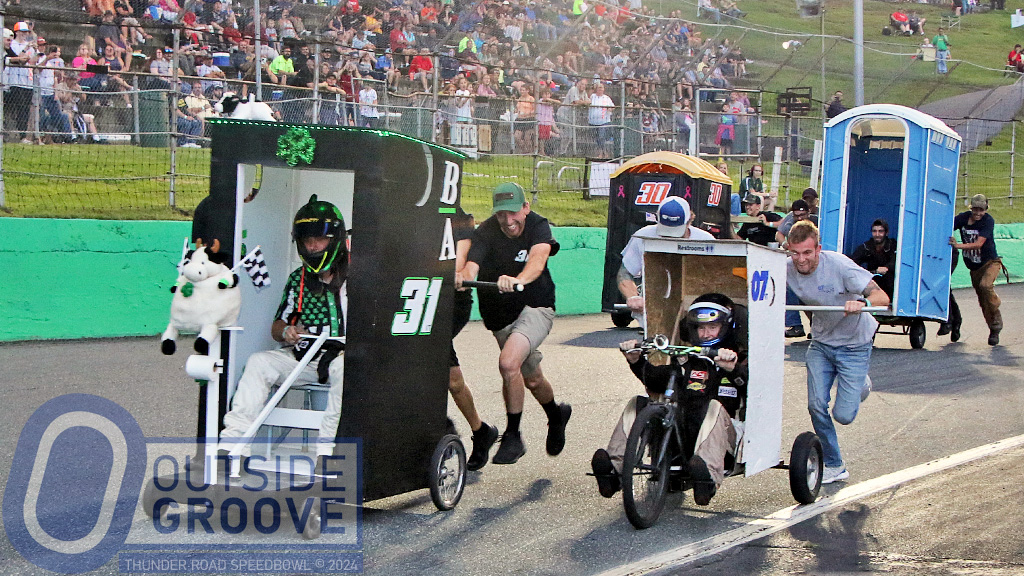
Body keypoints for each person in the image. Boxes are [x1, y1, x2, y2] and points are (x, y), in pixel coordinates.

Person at [220, 196, 350, 472]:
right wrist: (287, 332)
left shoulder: (359, 276)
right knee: (258, 362)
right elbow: (276, 326)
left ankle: (325, 454)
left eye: (319, 239)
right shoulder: (297, 279)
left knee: (347, 368)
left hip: (341, 356)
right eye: (306, 240)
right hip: (302, 356)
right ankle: (231, 448)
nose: (312, 246)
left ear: (335, 239)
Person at [591, 293, 748, 506]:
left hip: (725, 439)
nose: (705, 333)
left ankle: (707, 479)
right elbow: (656, 381)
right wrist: (636, 362)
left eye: (712, 327)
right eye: (701, 328)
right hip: (682, 432)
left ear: (726, 327)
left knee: (713, 407)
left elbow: (753, 391)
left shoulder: (739, 357)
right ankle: (614, 470)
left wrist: (733, 369)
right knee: (639, 403)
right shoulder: (687, 359)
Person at [456, 182, 571, 465]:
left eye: (512, 213)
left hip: (535, 307)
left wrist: (518, 279)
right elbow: (473, 265)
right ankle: (556, 415)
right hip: (500, 317)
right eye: (500, 215)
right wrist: (461, 276)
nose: (508, 222)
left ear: (525, 208)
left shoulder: (537, 225)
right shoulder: (485, 232)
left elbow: (538, 259)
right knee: (531, 378)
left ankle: (512, 435)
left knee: (508, 364)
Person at [787, 221, 889, 484]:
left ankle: (860, 384)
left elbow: (882, 297)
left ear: (818, 249)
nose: (801, 260)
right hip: (821, 343)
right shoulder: (787, 267)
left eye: (807, 253)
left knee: (843, 415)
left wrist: (862, 302)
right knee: (816, 405)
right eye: (795, 252)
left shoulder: (840, 265)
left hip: (855, 344)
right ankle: (834, 464)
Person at [618, 196, 715, 331]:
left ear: (689, 221)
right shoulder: (643, 236)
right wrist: (633, 296)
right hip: (655, 310)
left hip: (695, 313)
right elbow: (625, 273)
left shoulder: (705, 240)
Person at [451, 212, 500, 471]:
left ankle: (444, 428)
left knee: (434, 365)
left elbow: (460, 262)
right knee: (452, 379)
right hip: (414, 297)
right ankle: (480, 431)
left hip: (451, 302)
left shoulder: (460, 219)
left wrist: (457, 273)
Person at [950, 194, 1004, 346]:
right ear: (971, 208)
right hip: (974, 268)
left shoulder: (988, 221)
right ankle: (994, 329)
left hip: (990, 262)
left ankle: (997, 310)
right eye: (975, 209)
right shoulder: (962, 218)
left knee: (986, 286)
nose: (978, 213)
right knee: (983, 300)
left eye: (981, 210)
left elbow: (979, 244)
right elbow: (946, 225)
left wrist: (958, 246)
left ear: (986, 209)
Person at [778, 198, 816, 338]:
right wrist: (785, 245)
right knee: (788, 286)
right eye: (797, 216)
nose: (799, 218)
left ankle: (817, 327)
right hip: (797, 266)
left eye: (802, 215)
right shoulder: (789, 221)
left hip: (815, 266)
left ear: (809, 213)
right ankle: (795, 325)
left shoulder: (817, 222)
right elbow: (778, 234)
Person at [851, 219, 897, 298]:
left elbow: (897, 260)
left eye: (880, 231)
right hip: (873, 282)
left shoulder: (893, 245)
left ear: (886, 233)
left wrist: (887, 268)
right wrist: (871, 272)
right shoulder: (866, 247)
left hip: (890, 285)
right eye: (874, 231)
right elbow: (852, 263)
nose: (877, 234)